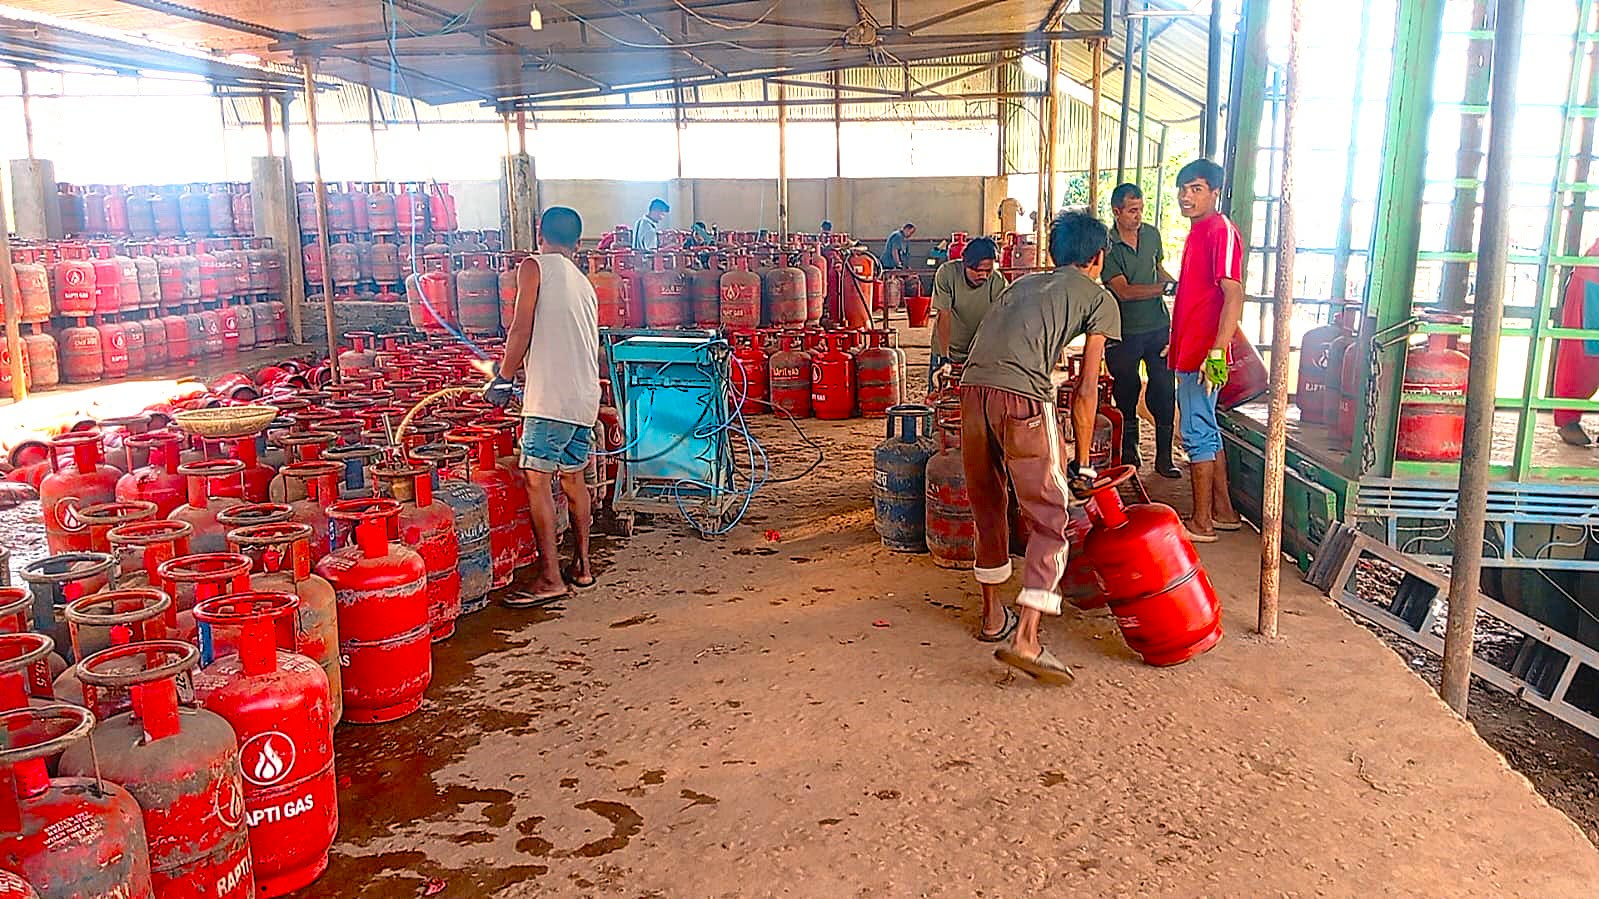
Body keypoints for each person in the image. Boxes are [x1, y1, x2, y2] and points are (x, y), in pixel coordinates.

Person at [959, 210, 1121, 684]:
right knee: (1052, 515)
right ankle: (1027, 639)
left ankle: (993, 619)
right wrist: (1084, 465)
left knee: (988, 504)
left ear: (1054, 255)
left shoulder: (1021, 285)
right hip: (1022, 399)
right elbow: (1087, 390)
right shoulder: (1099, 296)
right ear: (1097, 256)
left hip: (970, 392)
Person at [485, 206, 599, 606]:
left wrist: (503, 376)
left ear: (540, 233)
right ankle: (582, 568)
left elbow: (521, 325)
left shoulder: (534, 266)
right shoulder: (584, 282)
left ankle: (551, 577)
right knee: (573, 479)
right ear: (578, 243)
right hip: (583, 399)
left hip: (550, 399)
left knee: (536, 479)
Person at [1169, 159, 1243, 542]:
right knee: (1205, 429)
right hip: (1191, 351)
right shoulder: (1198, 232)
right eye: (1183, 189)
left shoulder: (1220, 231)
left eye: (1196, 189)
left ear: (1215, 192)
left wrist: (1217, 352)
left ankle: (1202, 522)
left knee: (1197, 432)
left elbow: (1233, 294)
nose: (1186, 196)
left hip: (1205, 355)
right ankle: (1224, 511)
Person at [1102, 182, 1180, 478]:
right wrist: (1165, 287)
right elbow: (1124, 291)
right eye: (1132, 211)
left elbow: (1158, 268)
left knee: (1162, 386)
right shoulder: (1107, 246)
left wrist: (1176, 285)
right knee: (1127, 386)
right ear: (1117, 212)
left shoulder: (1151, 235)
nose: (1138, 216)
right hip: (1124, 329)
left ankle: (1164, 456)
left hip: (1158, 325)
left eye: (1141, 209)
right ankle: (1130, 447)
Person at [929, 237, 1008, 381]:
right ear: (966, 264)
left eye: (988, 271)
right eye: (978, 271)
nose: (983, 276)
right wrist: (944, 358)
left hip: (978, 353)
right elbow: (943, 315)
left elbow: (1000, 323)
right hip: (946, 349)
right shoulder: (947, 274)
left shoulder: (998, 282)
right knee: (938, 397)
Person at [1552, 238, 1599, 445]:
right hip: (1593, 281)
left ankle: (1567, 419)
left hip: (1591, 277)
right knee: (1583, 352)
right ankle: (1567, 419)